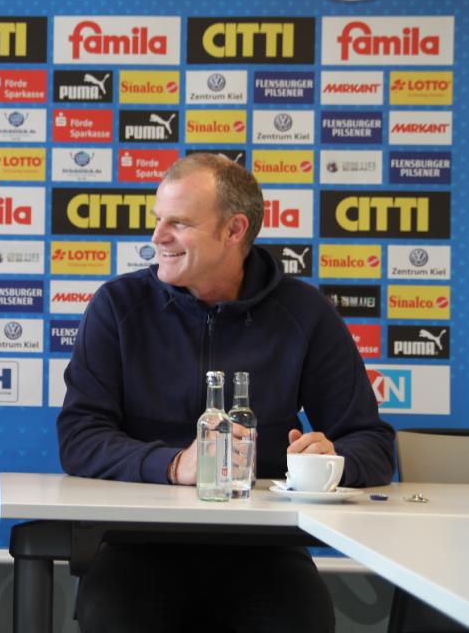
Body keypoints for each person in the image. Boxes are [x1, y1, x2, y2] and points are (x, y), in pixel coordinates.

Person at [57, 153, 395, 633]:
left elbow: (372, 443)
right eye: (158, 221)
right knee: (111, 615)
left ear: (234, 230)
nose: (157, 238)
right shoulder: (118, 306)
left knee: (301, 620)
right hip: (137, 548)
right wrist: (175, 466)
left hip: (265, 551)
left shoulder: (305, 312)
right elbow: (79, 437)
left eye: (178, 223)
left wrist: (331, 459)